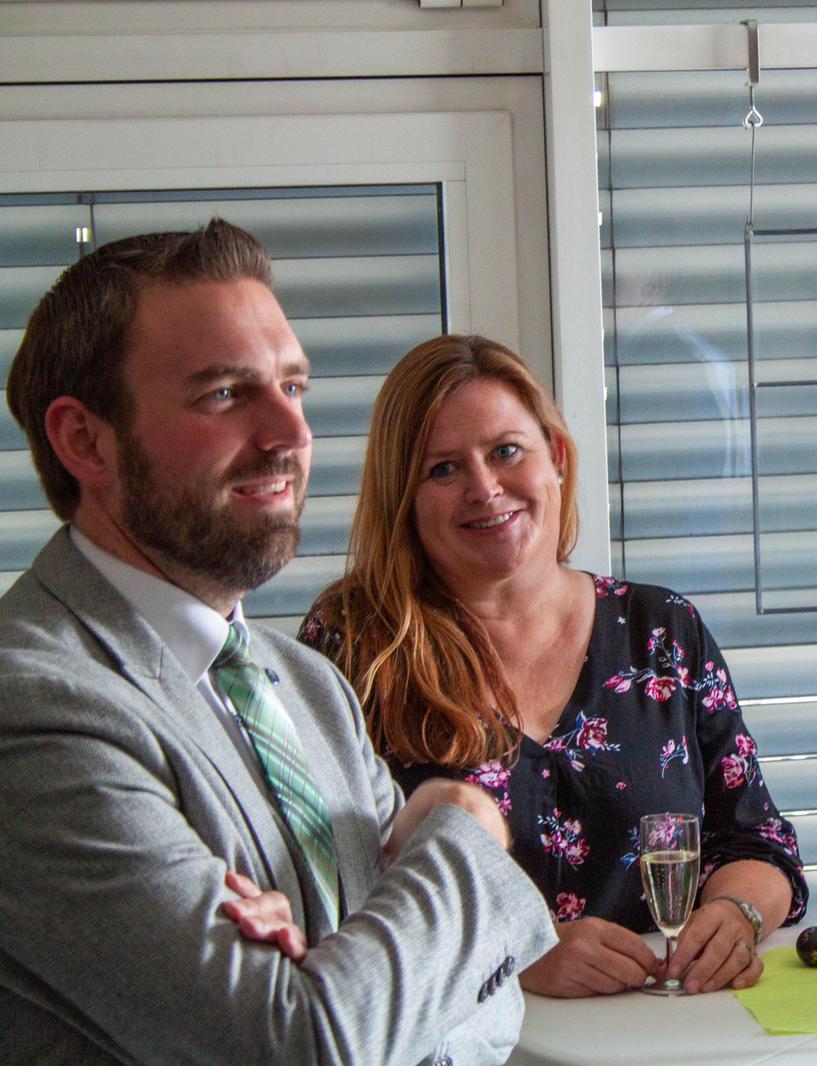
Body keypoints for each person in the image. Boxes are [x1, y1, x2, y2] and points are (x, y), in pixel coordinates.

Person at [0, 220, 555, 1066]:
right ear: (85, 440)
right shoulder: (31, 708)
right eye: (226, 393)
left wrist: (349, 983)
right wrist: (466, 828)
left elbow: (492, 1004)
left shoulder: (308, 685)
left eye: (292, 386)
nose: (290, 434)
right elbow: (298, 1046)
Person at [297, 334, 806, 999]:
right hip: (462, 1039)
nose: (484, 488)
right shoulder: (353, 644)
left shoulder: (663, 633)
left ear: (557, 457)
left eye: (506, 451)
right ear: (405, 497)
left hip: (661, 1029)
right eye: (443, 469)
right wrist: (516, 954)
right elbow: (323, 890)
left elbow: (757, 843)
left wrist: (737, 915)